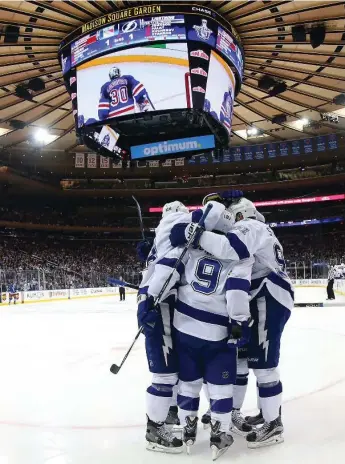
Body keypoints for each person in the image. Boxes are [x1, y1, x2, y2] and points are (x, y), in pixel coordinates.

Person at [171, 195, 293, 449]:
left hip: (268, 296)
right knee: (238, 360)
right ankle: (234, 410)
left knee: (264, 365)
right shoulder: (261, 230)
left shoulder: (253, 226)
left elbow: (231, 248)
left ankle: (274, 423)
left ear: (240, 214)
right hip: (259, 297)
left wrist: (195, 234)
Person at [137, 200, 225, 453]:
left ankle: (170, 413)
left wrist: (148, 254)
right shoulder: (179, 223)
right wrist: (215, 206)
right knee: (165, 373)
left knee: (175, 367)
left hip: (159, 299)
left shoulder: (161, 233)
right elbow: (206, 217)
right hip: (160, 302)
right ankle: (154, 429)